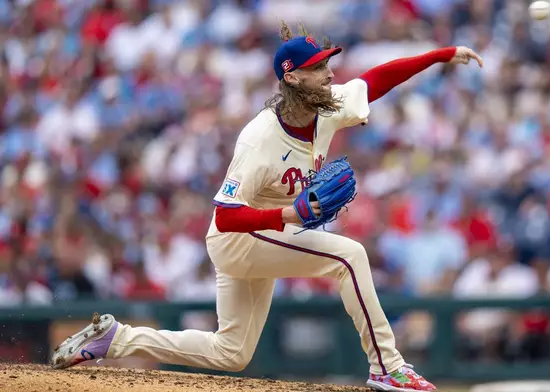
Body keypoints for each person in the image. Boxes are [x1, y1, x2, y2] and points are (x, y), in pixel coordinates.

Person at [50, 22, 483, 392]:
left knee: (231, 352)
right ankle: (388, 367)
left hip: (264, 235)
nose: (330, 74)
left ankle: (117, 339)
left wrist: (441, 54)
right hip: (238, 236)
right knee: (349, 256)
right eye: (319, 68)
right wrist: (289, 216)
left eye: (328, 64)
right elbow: (225, 215)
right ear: (292, 78)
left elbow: (377, 79)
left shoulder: (328, 108)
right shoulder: (259, 140)